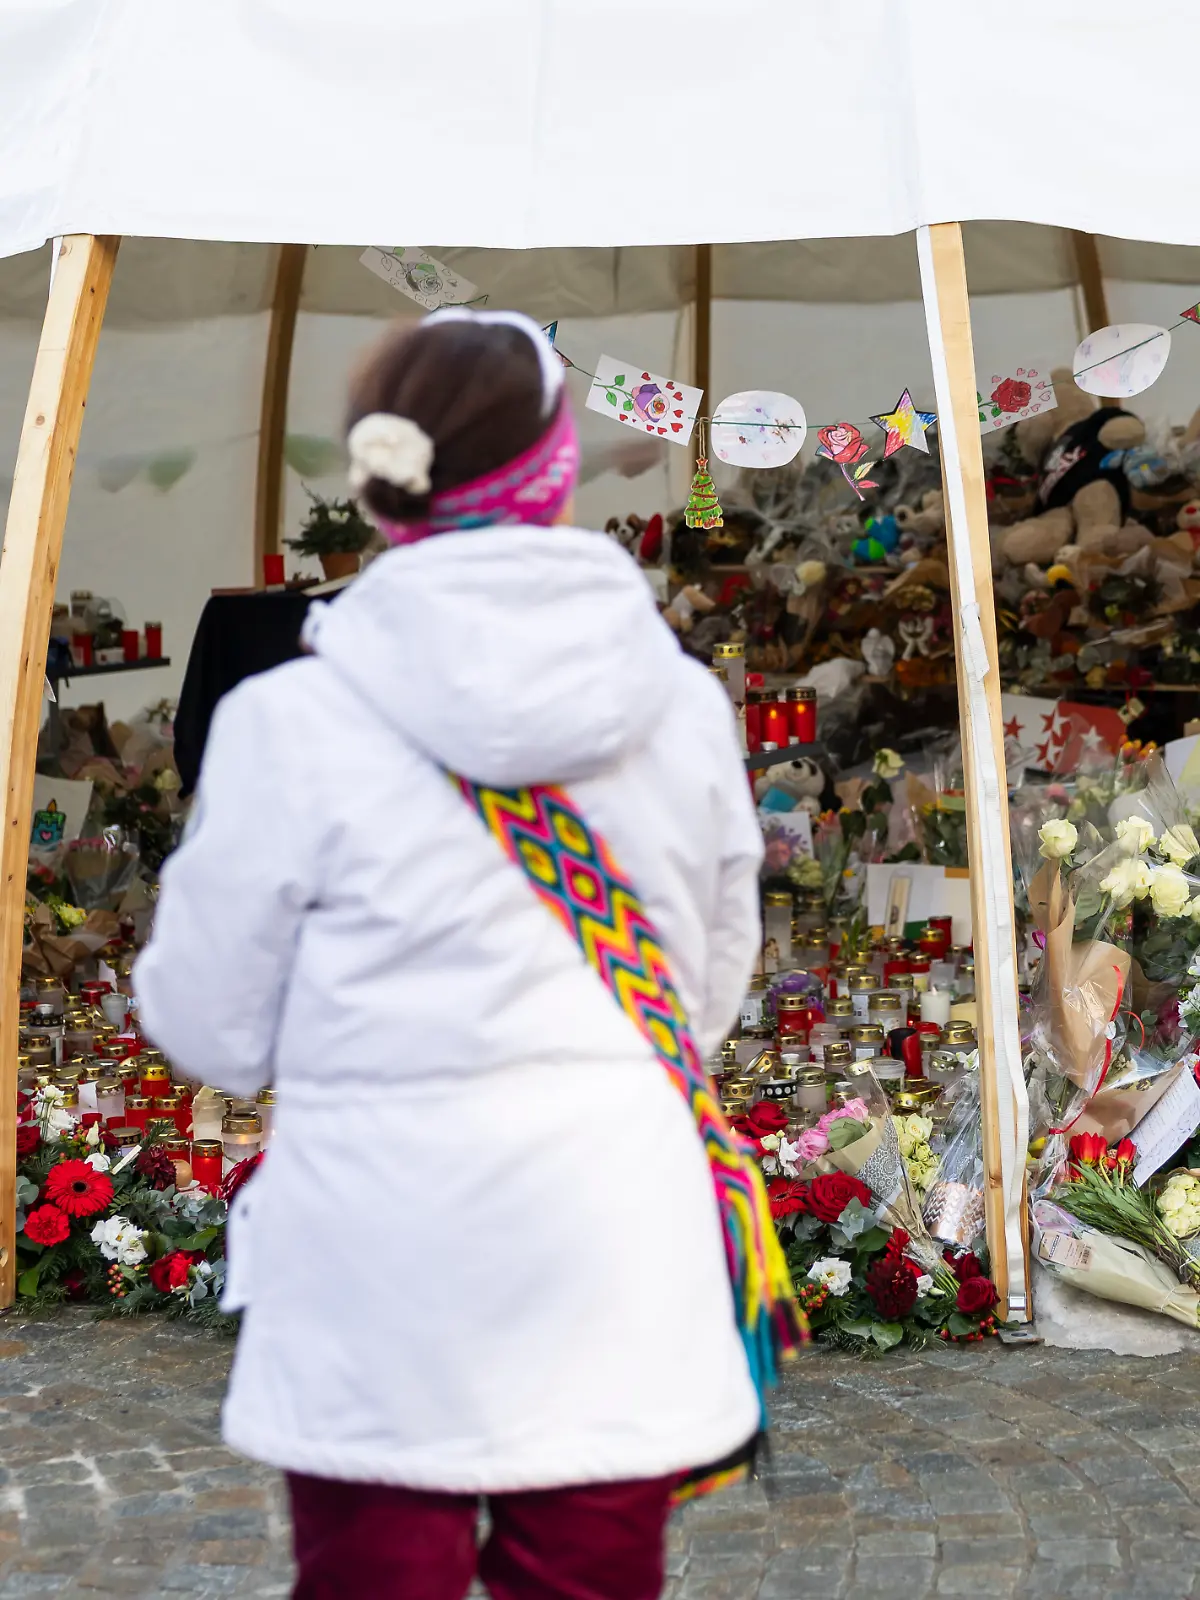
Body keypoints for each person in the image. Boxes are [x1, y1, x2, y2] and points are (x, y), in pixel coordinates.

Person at [134, 308, 798, 1599]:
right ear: (556, 475)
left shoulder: (288, 721)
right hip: (612, 1227)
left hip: (377, 1248)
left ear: (384, 490)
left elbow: (207, 1025)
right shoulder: (682, 708)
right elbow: (704, 992)